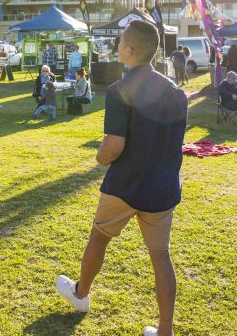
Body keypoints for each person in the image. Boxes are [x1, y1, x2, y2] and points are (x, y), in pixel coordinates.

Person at [56, 20, 187, 336]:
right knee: (161, 257)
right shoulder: (177, 92)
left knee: (98, 238)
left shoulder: (120, 90)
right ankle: (165, 330)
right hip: (163, 187)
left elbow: (113, 146)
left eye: (119, 44)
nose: (116, 49)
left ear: (129, 49)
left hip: (126, 185)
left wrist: (100, 156)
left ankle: (81, 294)